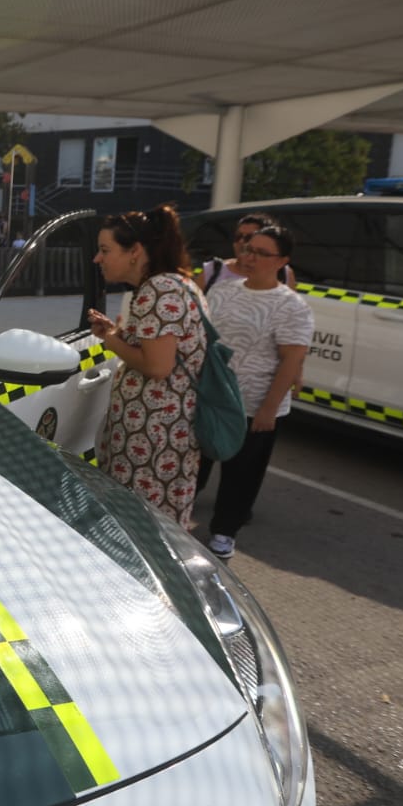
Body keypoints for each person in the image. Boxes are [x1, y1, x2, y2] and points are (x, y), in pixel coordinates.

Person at [195, 223, 313, 559]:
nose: (250, 257)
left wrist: (268, 408)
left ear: (283, 261)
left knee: (242, 474)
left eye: (262, 253)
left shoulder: (291, 306)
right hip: (212, 397)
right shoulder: (221, 292)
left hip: (254, 403)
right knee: (197, 462)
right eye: (248, 248)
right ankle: (178, 520)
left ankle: (224, 532)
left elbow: (291, 360)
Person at [86, 204, 207, 529]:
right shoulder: (176, 284)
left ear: (135, 251)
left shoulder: (158, 291)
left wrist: (111, 339)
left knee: (146, 528)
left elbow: (157, 366)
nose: (98, 259)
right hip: (161, 433)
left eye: (105, 250)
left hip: (153, 440)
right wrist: (115, 332)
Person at [196, 212, 297, 292]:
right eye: (238, 237)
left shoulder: (284, 274)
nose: (241, 242)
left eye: (249, 237)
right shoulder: (213, 271)